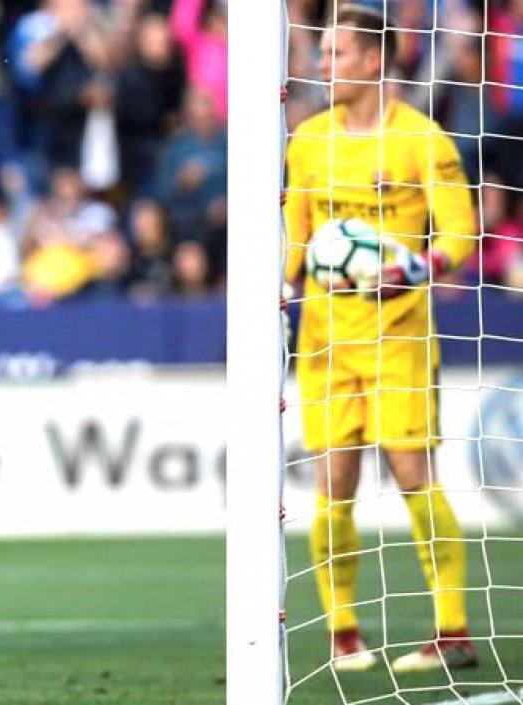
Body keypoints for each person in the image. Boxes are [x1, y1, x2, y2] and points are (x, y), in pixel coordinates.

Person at [284, 2, 478, 674]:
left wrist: (421, 266)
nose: (323, 64)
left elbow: (460, 230)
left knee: (410, 471)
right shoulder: (308, 140)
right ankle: (342, 632)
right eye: (323, 53)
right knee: (333, 480)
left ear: (374, 60)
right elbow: (297, 234)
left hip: (399, 333)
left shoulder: (423, 140)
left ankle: (451, 626)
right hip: (327, 335)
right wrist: (278, 288)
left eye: (336, 54)